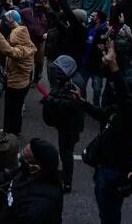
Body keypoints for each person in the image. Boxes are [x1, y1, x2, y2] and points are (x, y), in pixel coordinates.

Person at [73, 40, 132, 224]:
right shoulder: (120, 109)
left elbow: (124, 94)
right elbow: (102, 114)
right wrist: (82, 102)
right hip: (103, 166)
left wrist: (114, 66)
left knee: (110, 212)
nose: (114, 91)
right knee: (104, 208)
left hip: (115, 171)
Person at [0, 138, 63, 224]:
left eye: (25, 158)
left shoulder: (38, 208)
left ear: (35, 168)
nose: (20, 159)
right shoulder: (26, 173)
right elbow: (0, 179)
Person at [43, 55, 85, 193]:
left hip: (69, 127)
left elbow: (70, 106)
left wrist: (52, 101)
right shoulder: (70, 79)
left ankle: (67, 182)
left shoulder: (73, 84)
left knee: (66, 154)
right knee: (66, 152)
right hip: (67, 125)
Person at [0, 10, 36, 135]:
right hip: (23, 83)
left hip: (15, 85)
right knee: (16, 109)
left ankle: (9, 132)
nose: (10, 39)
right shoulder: (28, 44)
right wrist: (13, 23)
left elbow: (9, 51)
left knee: (11, 110)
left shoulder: (20, 51)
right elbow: (21, 30)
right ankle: (16, 130)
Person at [81, 11, 109, 106]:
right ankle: (83, 104)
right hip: (86, 63)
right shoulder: (89, 27)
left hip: (97, 67)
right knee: (82, 86)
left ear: (99, 18)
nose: (91, 16)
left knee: (97, 89)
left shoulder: (106, 31)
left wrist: (105, 48)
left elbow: (111, 45)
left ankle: (96, 106)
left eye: (94, 15)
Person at [19, 0, 49, 84]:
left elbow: (52, 23)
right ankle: (28, 78)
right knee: (28, 60)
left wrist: (48, 33)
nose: (38, 7)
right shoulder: (27, 12)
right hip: (29, 41)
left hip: (40, 42)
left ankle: (36, 78)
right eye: (37, 4)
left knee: (39, 62)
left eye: (40, 5)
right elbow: (16, 14)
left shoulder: (46, 14)